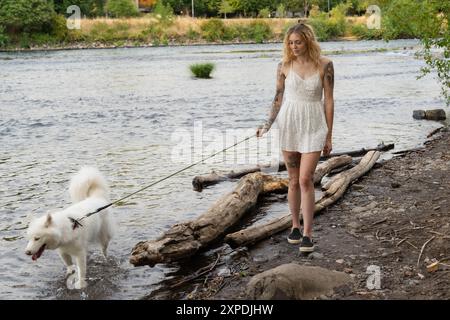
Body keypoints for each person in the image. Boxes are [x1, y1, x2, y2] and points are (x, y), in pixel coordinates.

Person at [256, 23, 334, 253]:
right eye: (290, 43)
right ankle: (295, 226)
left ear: (308, 41)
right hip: (289, 124)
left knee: (305, 179)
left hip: (314, 125)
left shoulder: (325, 65)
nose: (294, 46)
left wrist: (329, 135)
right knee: (292, 180)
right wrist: (267, 124)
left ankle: (309, 233)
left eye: (298, 42)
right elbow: (278, 98)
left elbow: (329, 100)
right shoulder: (283, 66)